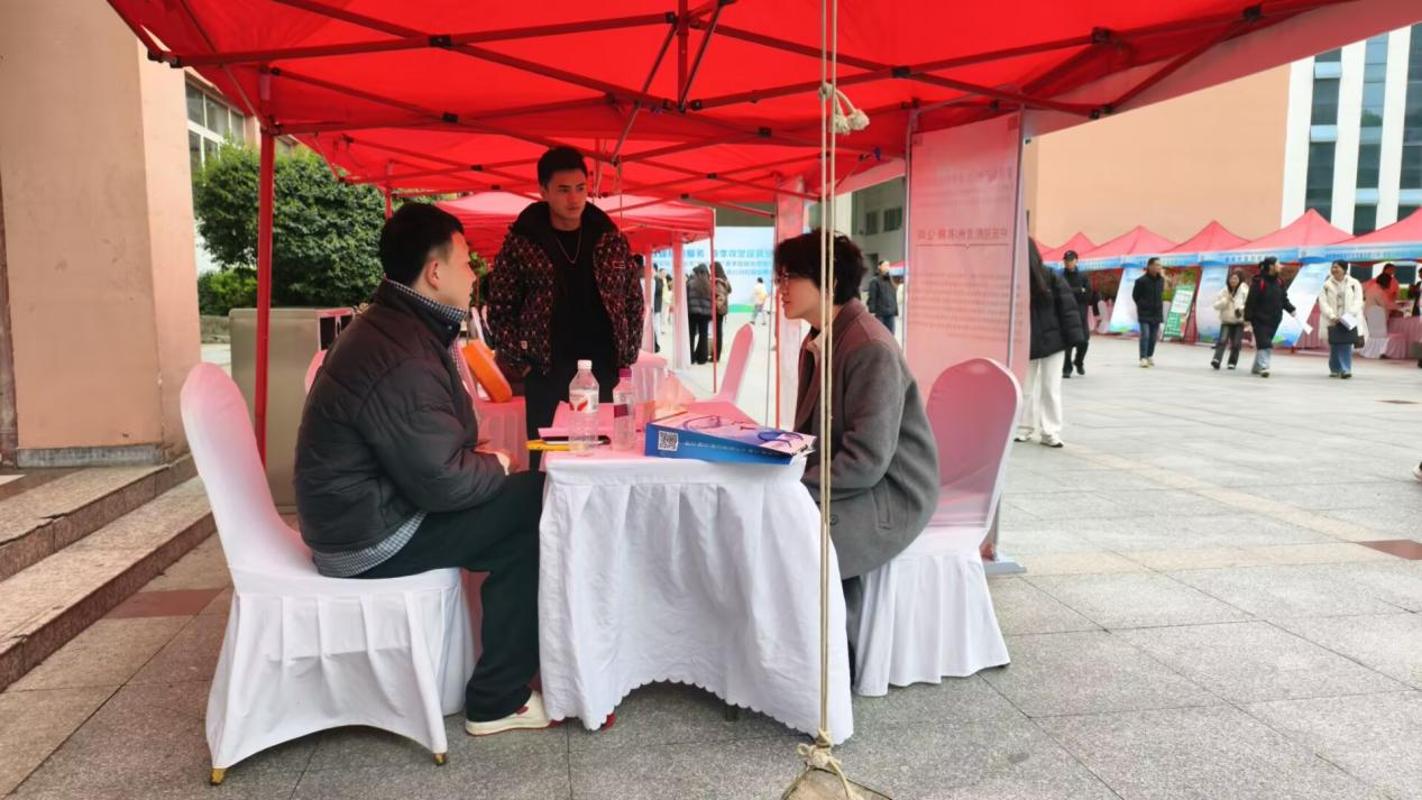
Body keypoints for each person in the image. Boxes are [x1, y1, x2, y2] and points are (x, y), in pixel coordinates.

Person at [295, 203, 549, 737]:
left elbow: (432, 449)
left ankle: (501, 692)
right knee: (542, 500)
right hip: (370, 537)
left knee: (524, 529)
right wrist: (496, 464)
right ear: (434, 273)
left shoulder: (401, 329)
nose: (474, 274)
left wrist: (478, 461)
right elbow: (444, 481)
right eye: (465, 262)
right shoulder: (400, 350)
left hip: (370, 515)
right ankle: (500, 697)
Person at [775, 230, 939, 627]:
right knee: (768, 516)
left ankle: (834, 649)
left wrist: (792, 488)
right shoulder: (820, 338)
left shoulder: (868, 347)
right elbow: (812, 436)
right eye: (780, 277)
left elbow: (867, 460)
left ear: (829, 281)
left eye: (790, 276)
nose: (781, 288)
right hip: (852, 480)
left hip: (889, 495)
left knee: (789, 530)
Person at [486, 146, 644, 468]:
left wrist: (627, 353)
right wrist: (522, 363)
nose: (574, 199)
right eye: (563, 190)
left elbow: (632, 298)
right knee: (548, 461)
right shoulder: (522, 241)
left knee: (605, 460)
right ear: (543, 191)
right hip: (546, 370)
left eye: (580, 188)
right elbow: (500, 307)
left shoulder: (609, 239)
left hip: (603, 370)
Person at [1014, 240, 1085, 448]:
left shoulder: (1051, 276)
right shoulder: (1013, 278)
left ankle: (1050, 430)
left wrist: (1075, 338)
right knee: (1025, 388)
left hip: (1053, 343)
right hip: (1026, 343)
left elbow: (1068, 309)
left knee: (1050, 388)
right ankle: (1023, 428)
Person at [1244, 256, 1296, 378]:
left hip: (1274, 320)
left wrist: (1292, 309)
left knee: (1263, 344)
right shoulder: (1259, 282)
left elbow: (1284, 299)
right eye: (1278, 264)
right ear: (1271, 266)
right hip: (1259, 319)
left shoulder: (1279, 282)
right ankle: (1264, 366)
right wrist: (1247, 319)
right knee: (1265, 343)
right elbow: (1250, 302)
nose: (1281, 266)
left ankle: (1257, 367)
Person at [1318, 259, 1366, 379]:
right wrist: (1332, 316)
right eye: (1333, 267)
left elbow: (1358, 301)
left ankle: (1345, 369)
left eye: (1337, 267)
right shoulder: (1326, 285)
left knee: (1346, 342)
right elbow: (1323, 302)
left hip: (1349, 317)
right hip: (1332, 318)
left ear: (1344, 269)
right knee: (1335, 343)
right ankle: (1335, 368)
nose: (1334, 269)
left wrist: (1348, 315)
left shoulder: (1354, 283)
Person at [1060, 250, 1097, 377]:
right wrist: (1078, 290)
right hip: (1065, 314)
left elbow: (1088, 294)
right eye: (1066, 260)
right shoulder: (1060, 276)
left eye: (1071, 260)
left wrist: (1070, 292)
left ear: (1076, 261)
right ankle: (1067, 368)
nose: (1068, 262)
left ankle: (1078, 361)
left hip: (1081, 314)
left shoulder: (1083, 276)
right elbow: (1059, 293)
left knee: (1084, 341)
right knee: (1067, 343)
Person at [1210, 270, 1249, 371]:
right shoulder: (1224, 291)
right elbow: (1215, 305)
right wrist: (1225, 300)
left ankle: (1232, 362)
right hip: (1226, 320)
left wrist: (1241, 308)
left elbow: (1248, 304)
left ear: (1240, 280)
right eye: (1231, 278)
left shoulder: (1244, 290)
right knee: (1222, 340)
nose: (1233, 280)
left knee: (1236, 343)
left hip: (1239, 321)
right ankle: (1216, 360)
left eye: (1235, 278)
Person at [1132, 257, 1165, 367]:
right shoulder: (1141, 281)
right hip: (1145, 313)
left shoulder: (1161, 280)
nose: (1159, 267)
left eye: (1160, 265)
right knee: (1145, 335)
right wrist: (1143, 305)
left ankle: (1149, 355)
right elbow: (1135, 296)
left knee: (1153, 337)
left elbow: (1160, 294)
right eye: (1157, 265)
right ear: (1150, 266)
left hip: (1157, 313)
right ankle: (1143, 357)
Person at [686, 264, 713, 364]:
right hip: (706, 314)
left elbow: (686, 298)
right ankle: (702, 358)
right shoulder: (709, 285)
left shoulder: (690, 283)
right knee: (703, 335)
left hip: (692, 312)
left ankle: (690, 357)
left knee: (691, 335)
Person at [866, 260, 900, 334]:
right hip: (879, 313)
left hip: (890, 313)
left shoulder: (891, 280)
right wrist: (872, 311)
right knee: (880, 334)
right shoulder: (874, 281)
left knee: (891, 334)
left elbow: (894, 297)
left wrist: (895, 311)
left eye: (888, 265)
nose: (887, 267)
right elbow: (872, 297)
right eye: (885, 265)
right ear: (879, 267)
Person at [711, 261, 732, 361]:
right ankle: (716, 354)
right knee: (718, 332)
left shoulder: (718, 282)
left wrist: (715, 306)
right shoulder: (725, 280)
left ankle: (716, 356)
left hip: (717, 310)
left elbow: (720, 296)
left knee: (717, 333)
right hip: (722, 310)